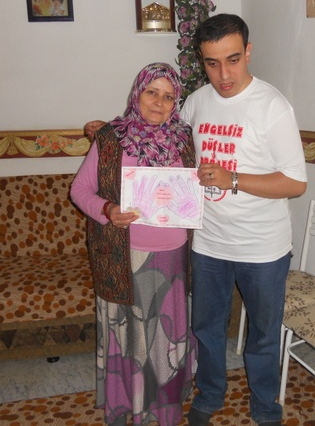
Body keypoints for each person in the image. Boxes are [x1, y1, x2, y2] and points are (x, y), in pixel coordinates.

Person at [181, 14, 307, 426]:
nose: (224, 74)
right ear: (202, 61)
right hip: (209, 243)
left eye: (233, 60)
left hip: (263, 247)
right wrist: (113, 132)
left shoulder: (273, 106)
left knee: (264, 336)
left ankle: (266, 406)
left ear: (248, 52)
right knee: (207, 328)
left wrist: (232, 179)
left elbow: (295, 182)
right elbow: (169, 147)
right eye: (212, 63)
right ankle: (210, 393)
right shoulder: (196, 102)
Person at [71, 63, 197, 426]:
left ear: (176, 102)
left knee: (165, 337)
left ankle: (164, 406)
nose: (159, 102)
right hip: (124, 256)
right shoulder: (111, 139)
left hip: (174, 256)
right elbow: (79, 190)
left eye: (168, 96)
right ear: (137, 94)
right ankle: (129, 403)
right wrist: (107, 210)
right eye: (151, 92)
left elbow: (191, 190)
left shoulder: (184, 139)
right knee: (132, 337)